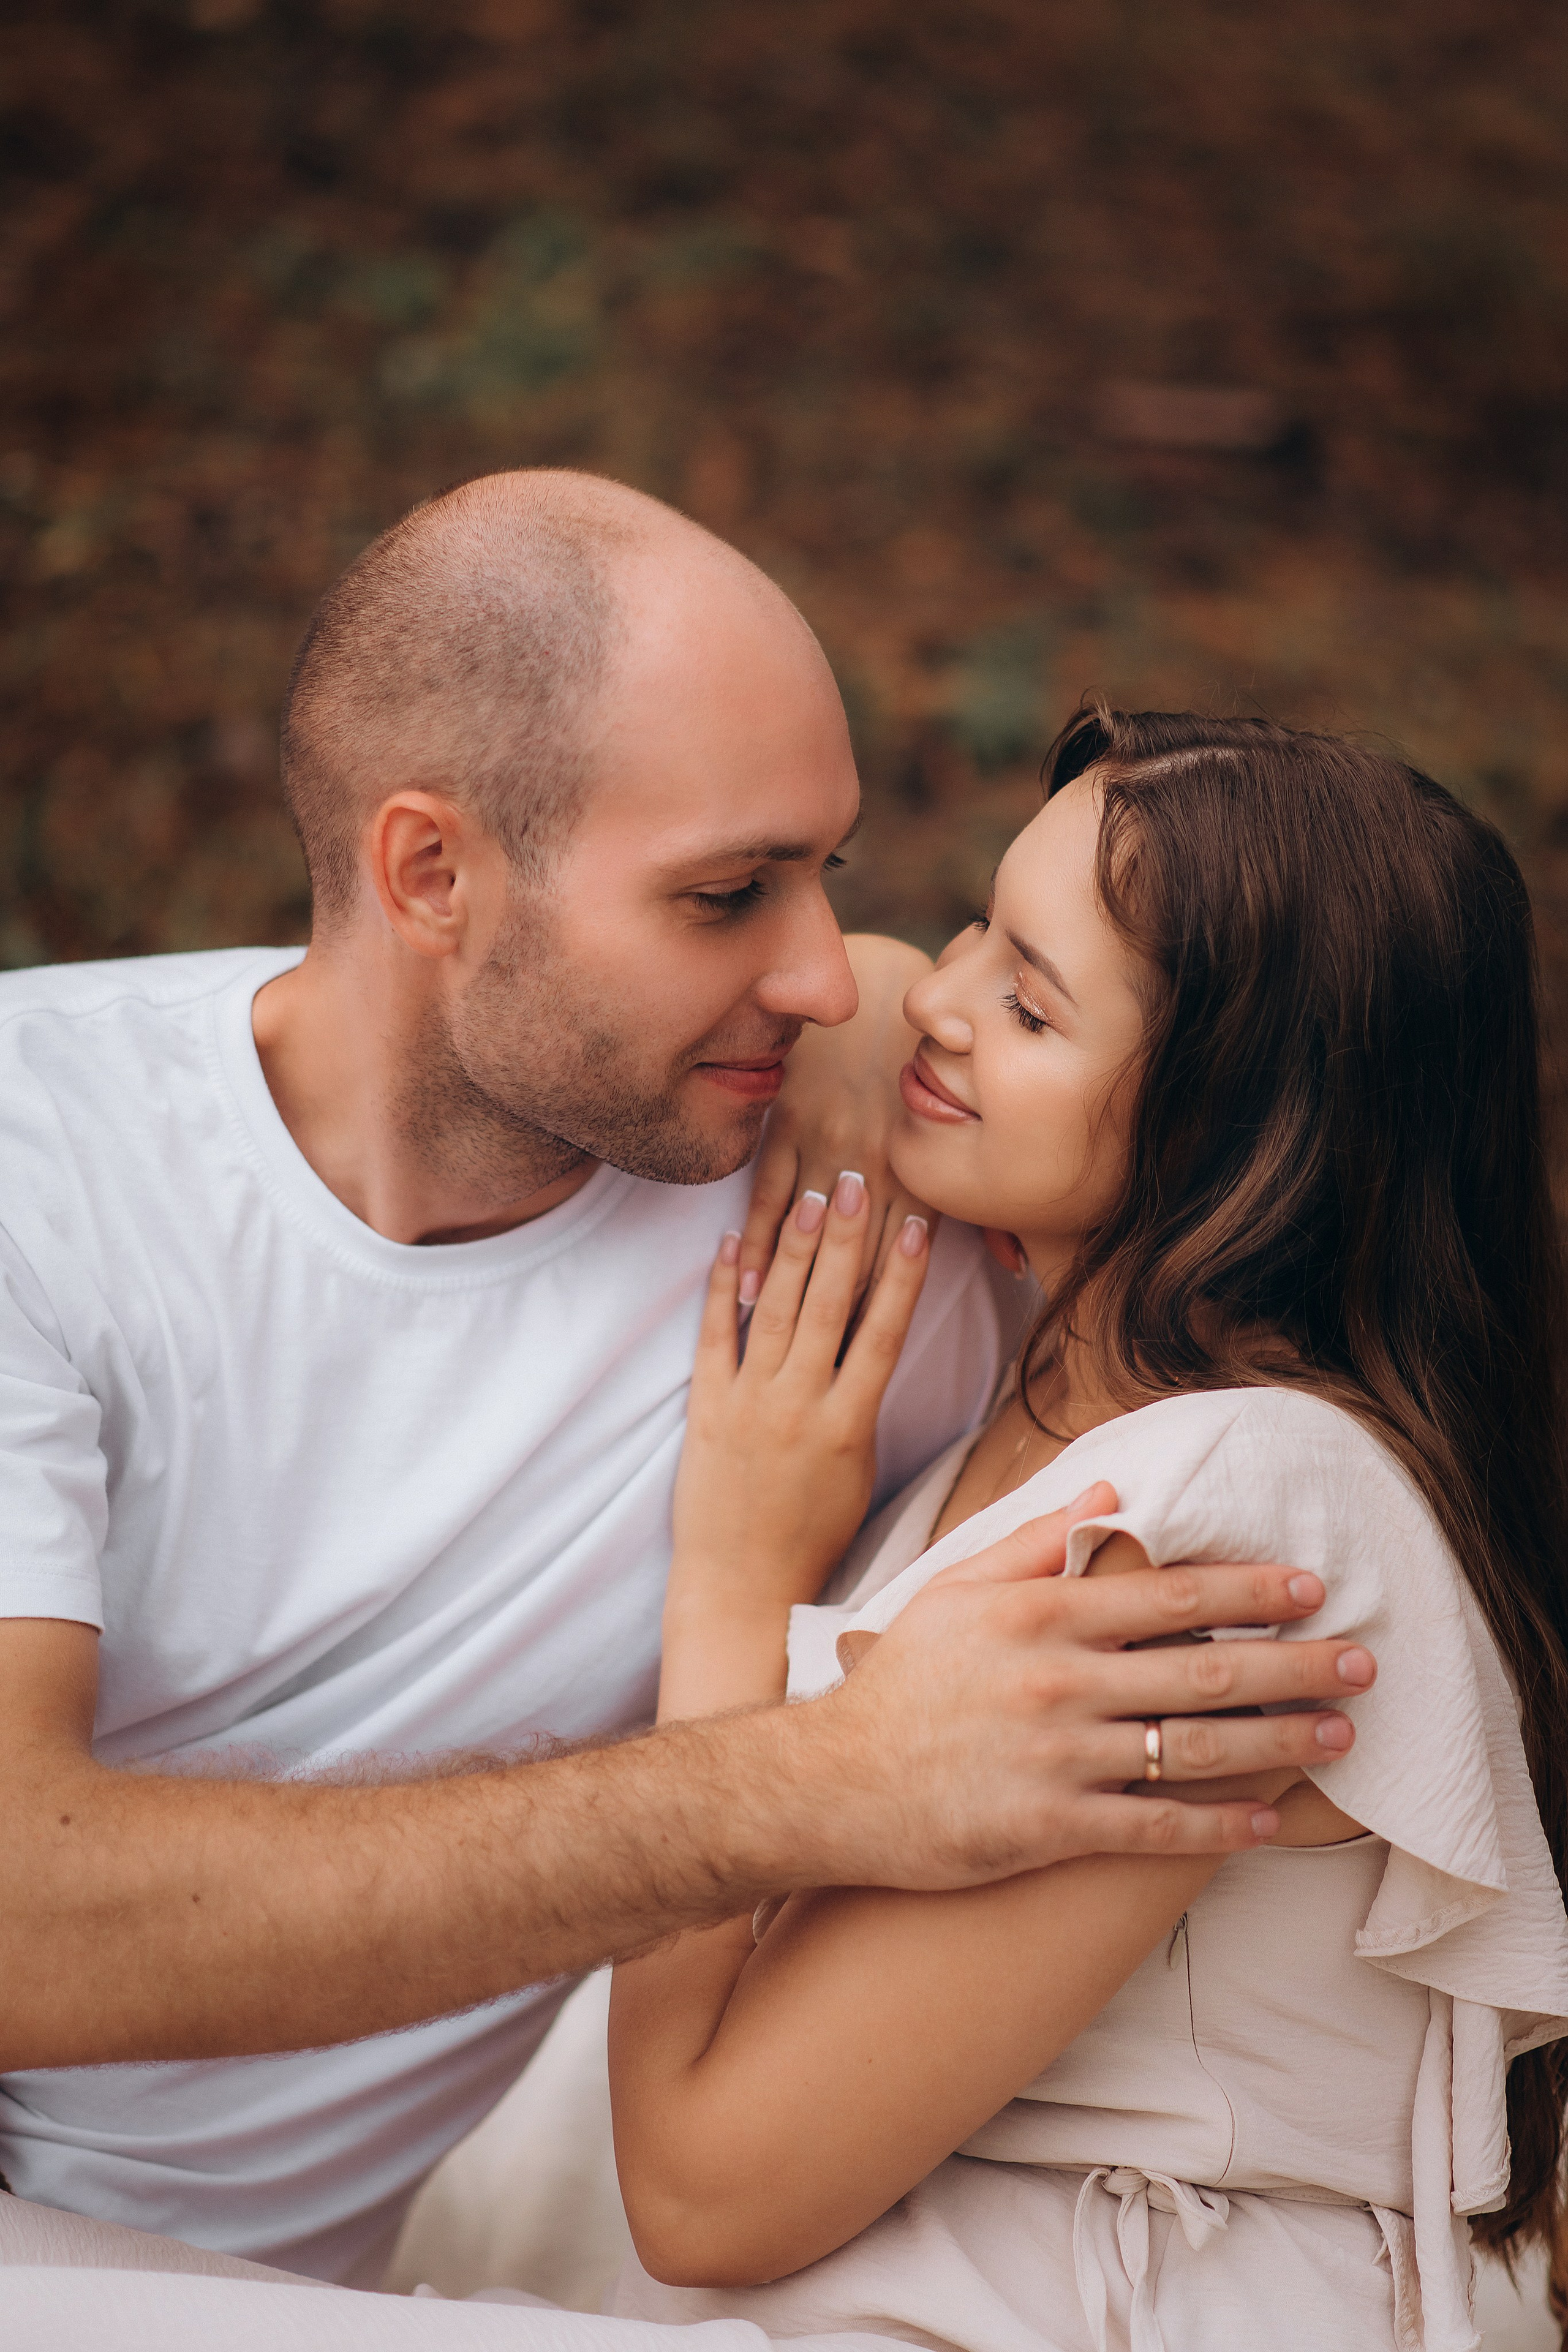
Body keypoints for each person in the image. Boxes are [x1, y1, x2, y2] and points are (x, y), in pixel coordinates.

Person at [0, 483, 1363, 2311]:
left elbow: (1238, 1180)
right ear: (432, 875)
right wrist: (815, 1784)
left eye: (834, 878)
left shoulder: (845, 1221)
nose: (825, 975)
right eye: (727, 895)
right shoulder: (44, 1169)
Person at [608, 709, 1568, 2352]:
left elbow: (706, 2191)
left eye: (1031, 1003)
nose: (937, 999)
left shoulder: (1226, 1533)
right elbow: (871, 998)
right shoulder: (1066, 1404)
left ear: (1236, 1131)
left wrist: (737, 1582)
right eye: (977, 925)